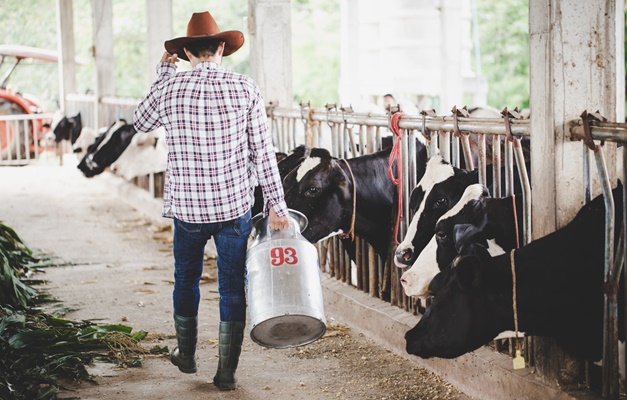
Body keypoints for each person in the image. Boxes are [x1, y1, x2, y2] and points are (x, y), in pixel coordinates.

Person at [133, 11, 289, 391]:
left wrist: (163, 74)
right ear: (221, 48)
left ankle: (186, 355)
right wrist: (277, 205)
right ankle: (226, 372)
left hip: (188, 210)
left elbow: (139, 122)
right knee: (232, 286)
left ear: (186, 53)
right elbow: (262, 152)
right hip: (233, 206)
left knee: (185, 279)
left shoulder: (170, 89)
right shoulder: (245, 88)